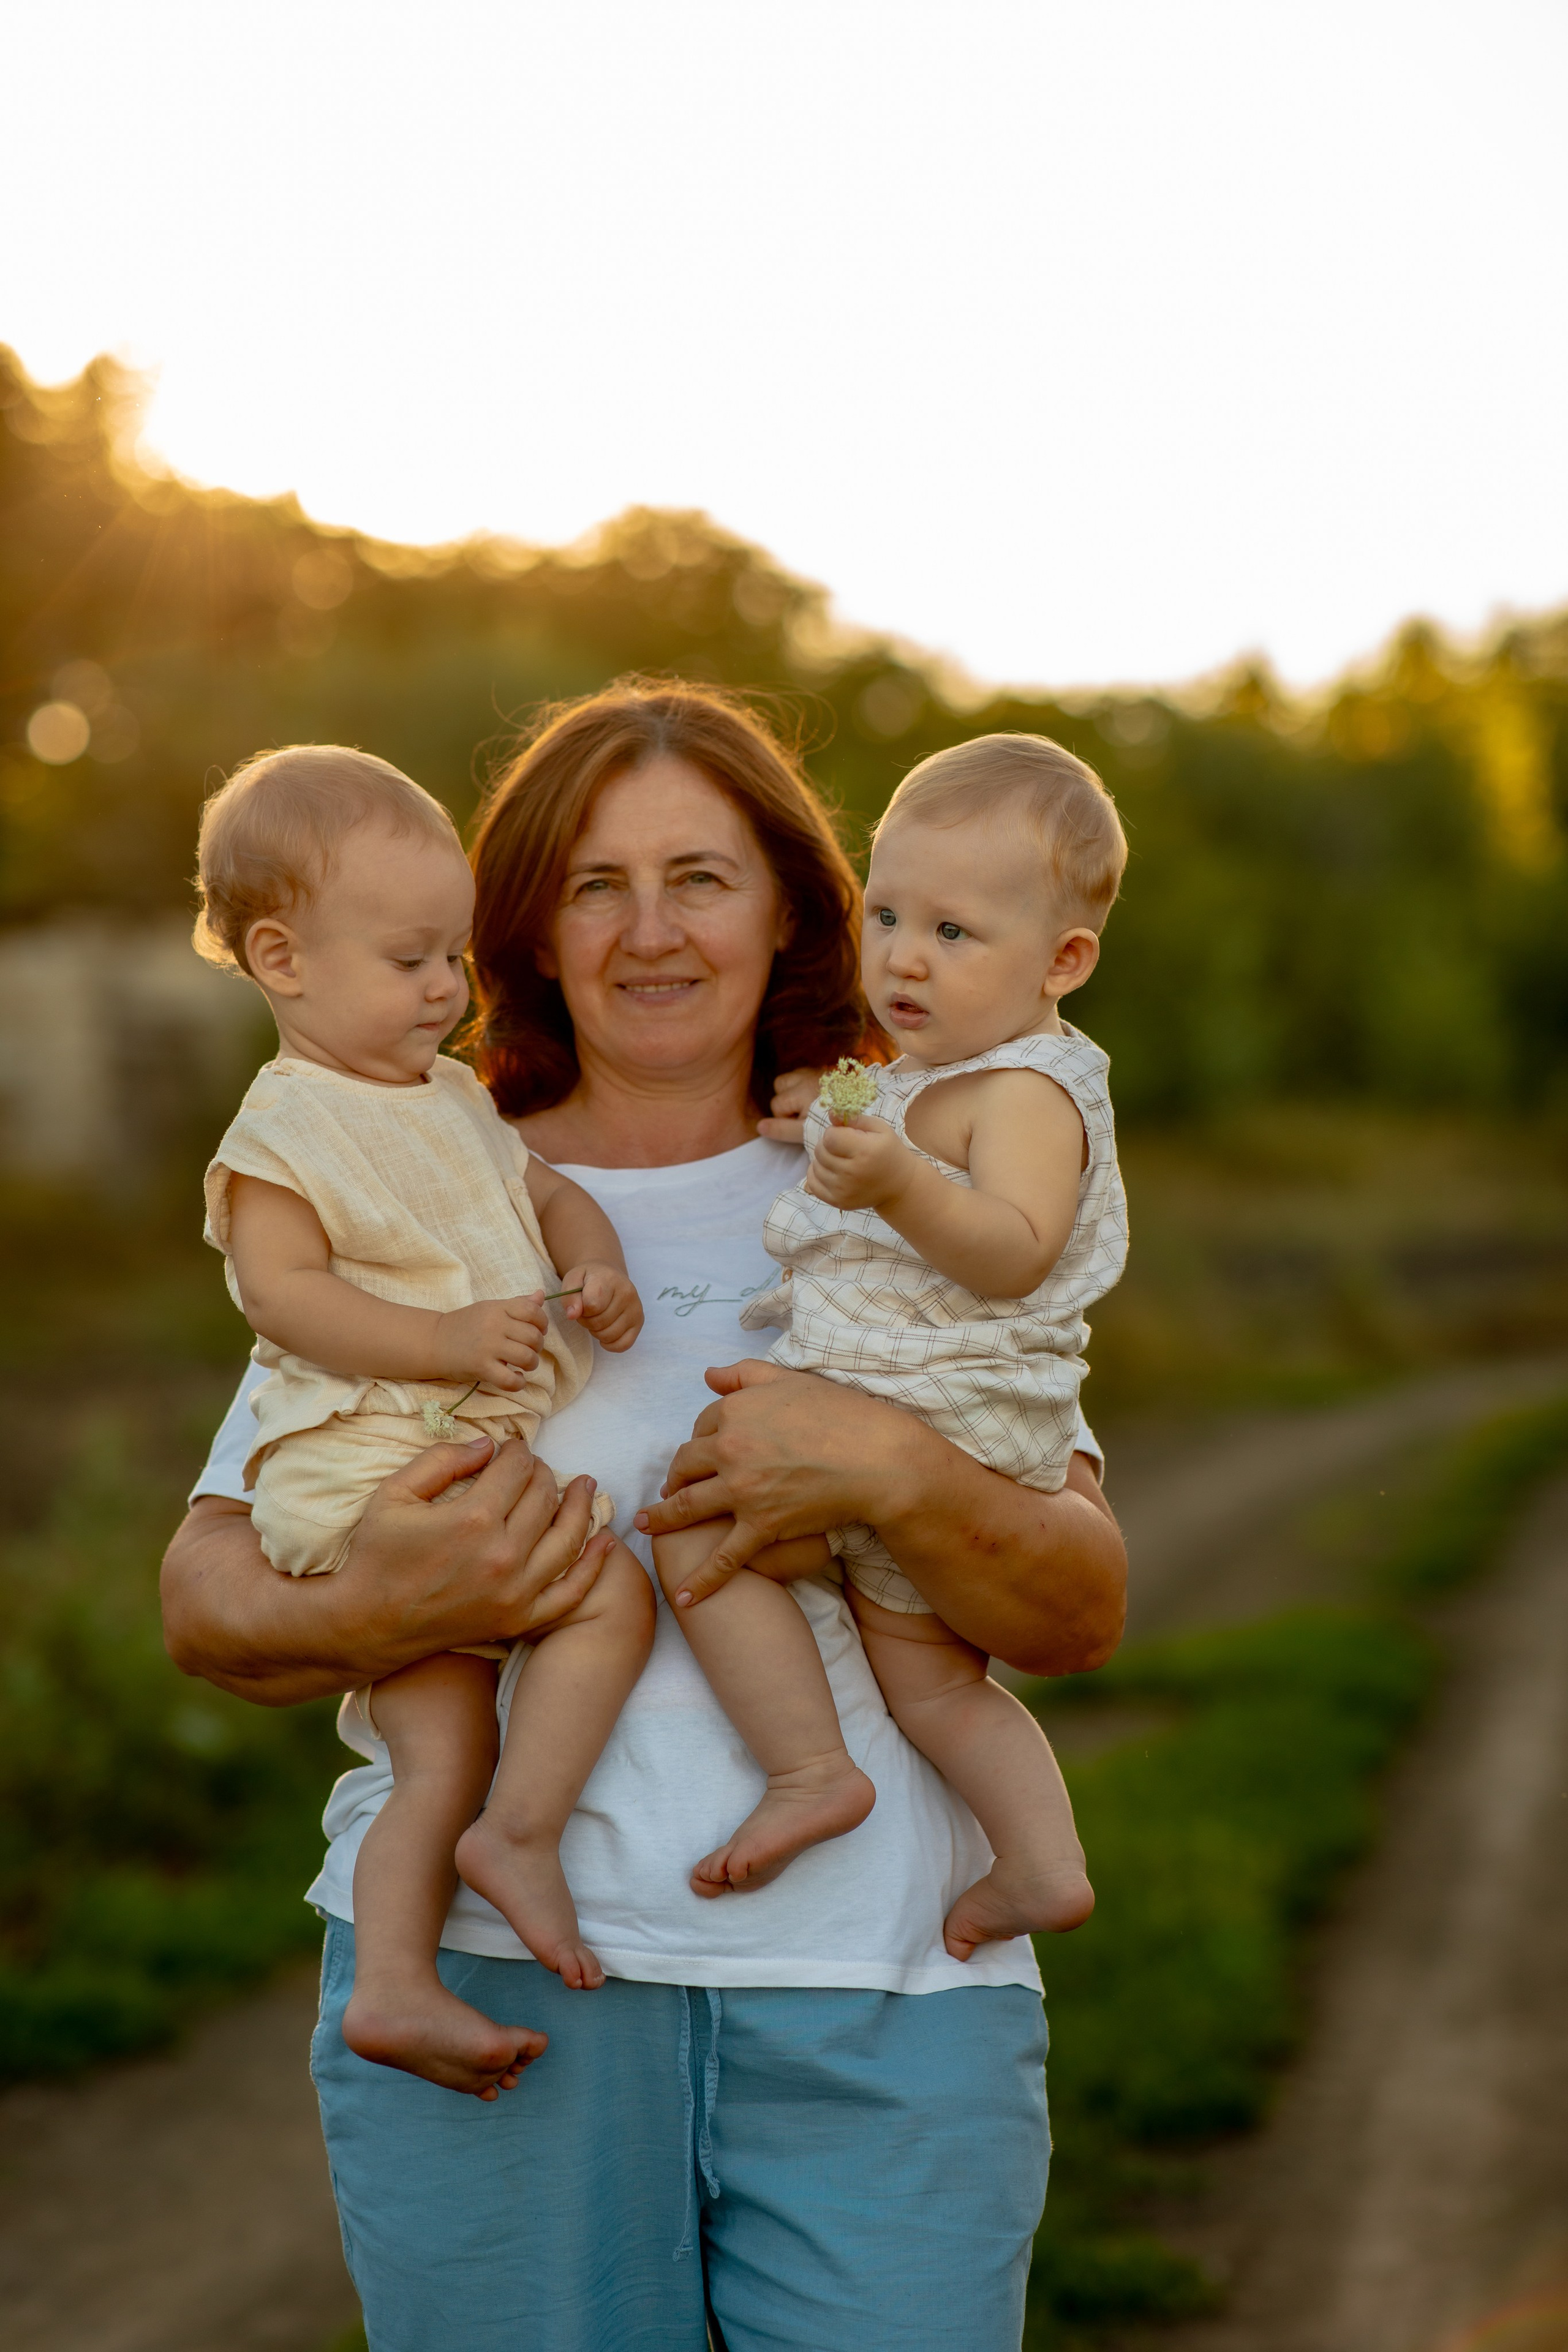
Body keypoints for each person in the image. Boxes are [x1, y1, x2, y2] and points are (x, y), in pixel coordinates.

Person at [161, 682, 1128, 2352]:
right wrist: (381, 1601)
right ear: (524, 922)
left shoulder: (902, 1172)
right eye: (597, 883)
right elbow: (208, 1596)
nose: (651, 930)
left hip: (883, 1993)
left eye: (703, 877)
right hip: (501, 1991)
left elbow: (1080, 1603)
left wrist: (892, 1475)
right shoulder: (423, 1174)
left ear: (793, 909)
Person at [195, 745, 654, 2097]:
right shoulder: (284, 1132)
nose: (448, 991)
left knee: (442, 1737)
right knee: (606, 1597)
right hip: (372, 1463)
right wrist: (448, 1340)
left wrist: (596, 1259)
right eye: (410, 961)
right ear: (283, 958)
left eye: (453, 958)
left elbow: (543, 1192)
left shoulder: (453, 1097)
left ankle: (407, 1969)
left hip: (455, 1454)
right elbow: (284, 1297)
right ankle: (512, 1840)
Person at [651, 734, 1126, 1964]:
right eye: (888, 916)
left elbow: (1011, 1248)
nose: (906, 957)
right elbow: (884, 1134)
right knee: (920, 1681)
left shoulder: (1032, 1092)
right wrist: (832, 1120)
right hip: (890, 1404)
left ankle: (836, 1778)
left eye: (954, 934)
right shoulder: (926, 1076)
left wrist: (898, 1180)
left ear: (1061, 961)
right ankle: (1015, 1853)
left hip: (953, 1418)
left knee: (706, 1524)